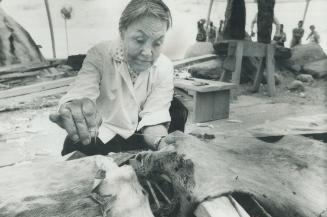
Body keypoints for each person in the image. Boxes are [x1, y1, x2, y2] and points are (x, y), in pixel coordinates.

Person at [50, 0, 188, 156]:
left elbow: (154, 116)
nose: (148, 52)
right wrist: (75, 106)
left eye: (157, 43)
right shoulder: (100, 54)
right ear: (123, 31)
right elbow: (82, 90)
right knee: (78, 147)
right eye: (140, 40)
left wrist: (161, 143)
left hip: (140, 133)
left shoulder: (164, 66)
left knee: (177, 110)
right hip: (103, 133)